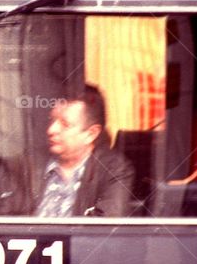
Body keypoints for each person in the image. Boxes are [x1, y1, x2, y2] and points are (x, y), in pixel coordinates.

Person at [29, 86, 135, 217]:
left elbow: (104, 228)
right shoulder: (29, 165)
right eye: (52, 120)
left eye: (65, 124)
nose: (51, 130)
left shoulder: (113, 170)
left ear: (91, 134)